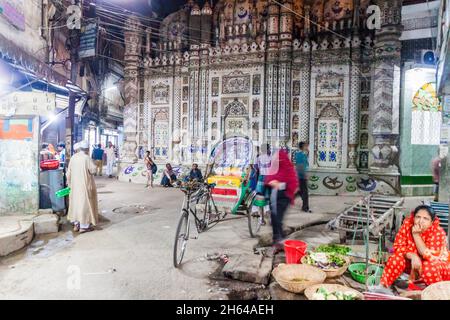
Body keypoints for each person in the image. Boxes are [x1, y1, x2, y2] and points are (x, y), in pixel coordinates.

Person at [371, 205, 450, 294]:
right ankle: (383, 286)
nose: (420, 221)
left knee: (428, 267)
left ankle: (438, 293)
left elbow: (428, 255)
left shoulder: (438, 233)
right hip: (412, 265)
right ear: (413, 218)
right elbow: (398, 247)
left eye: (425, 219)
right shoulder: (406, 227)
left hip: (434, 268)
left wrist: (416, 235)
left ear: (431, 222)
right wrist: (413, 256)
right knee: (396, 259)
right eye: (418, 217)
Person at [264, 149, 299, 251]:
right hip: (274, 196)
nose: (276, 160)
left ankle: (279, 239)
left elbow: (293, 183)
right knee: (275, 218)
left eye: (278, 158)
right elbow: (269, 178)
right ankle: (278, 239)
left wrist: (281, 185)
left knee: (277, 218)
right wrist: (272, 182)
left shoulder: (288, 167)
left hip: (284, 197)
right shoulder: (274, 167)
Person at [67, 141, 99, 233]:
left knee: (75, 204)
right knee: (84, 205)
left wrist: (69, 184)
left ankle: (76, 225)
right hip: (84, 185)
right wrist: (95, 164)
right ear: (86, 149)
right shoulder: (86, 158)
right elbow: (93, 170)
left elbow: (68, 173)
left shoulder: (73, 158)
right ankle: (84, 226)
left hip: (74, 186)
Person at [255, 143, 272, 215]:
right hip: (268, 178)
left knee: (259, 193)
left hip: (261, 177)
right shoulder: (270, 158)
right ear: (267, 149)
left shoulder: (258, 157)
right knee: (267, 194)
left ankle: (256, 209)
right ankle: (267, 210)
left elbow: (256, 168)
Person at [295, 142, 311, 213]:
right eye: (305, 146)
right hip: (302, 175)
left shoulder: (297, 154)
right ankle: (305, 208)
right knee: (305, 192)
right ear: (303, 147)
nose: (306, 147)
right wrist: (305, 174)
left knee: (301, 191)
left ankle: (297, 194)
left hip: (298, 174)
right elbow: (304, 165)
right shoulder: (302, 155)